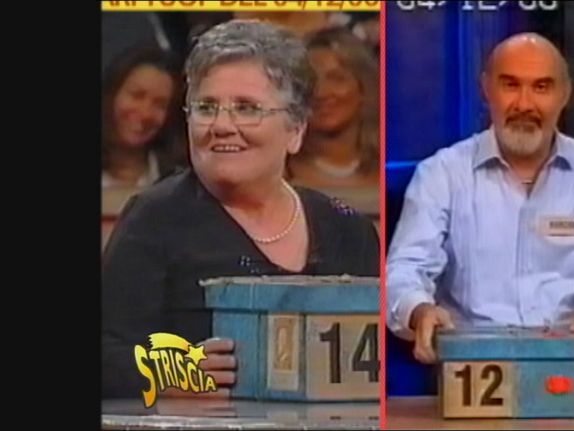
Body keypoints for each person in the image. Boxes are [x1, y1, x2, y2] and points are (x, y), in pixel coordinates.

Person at [102, 20, 380, 399]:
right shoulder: (155, 219)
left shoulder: (347, 229)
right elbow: (106, 353)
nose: (221, 125)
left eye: (246, 108)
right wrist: (170, 372)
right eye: (206, 107)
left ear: (296, 129)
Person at [386, 33, 574, 369]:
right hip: (466, 371)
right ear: (486, 89)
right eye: (510, 85)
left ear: (565, 94)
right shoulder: (441, 174)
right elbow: (406, 267)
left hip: (570, 366)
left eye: (541, 87)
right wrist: (419, 309)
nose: (524, 104)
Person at [287, 28, 379, 188]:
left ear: (363, 88)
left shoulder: (387, 168)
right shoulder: (275, 173)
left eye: (337, 79)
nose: (321, 93)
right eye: (311, 80)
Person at [102, 45, 184, 188]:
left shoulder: (181, 180)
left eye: (160, 104)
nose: (146, 113)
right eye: (137, 96)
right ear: (112, 95)